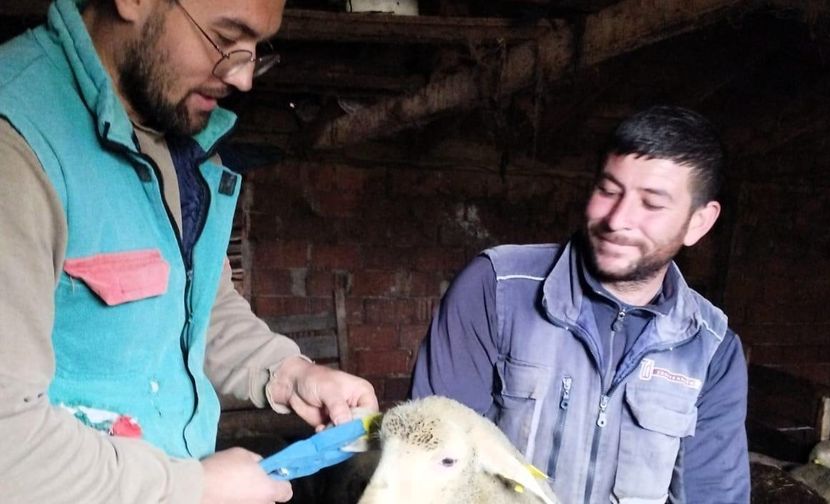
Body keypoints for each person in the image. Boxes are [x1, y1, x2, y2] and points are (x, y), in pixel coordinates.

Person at [0, 0, 377, 502]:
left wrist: (289, 373)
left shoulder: (173, 137)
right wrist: (193, 487)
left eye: (258, 48)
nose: (243, 78)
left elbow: (199, 310)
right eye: (225, 38)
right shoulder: (17, 142)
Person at [411, 105, 750, 503]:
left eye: (652, 203)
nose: (617, 218)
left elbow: (713, 497)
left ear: (699, 223)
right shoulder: (496, 289)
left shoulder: (711, 349)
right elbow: (425, 463)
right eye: (608, 190)